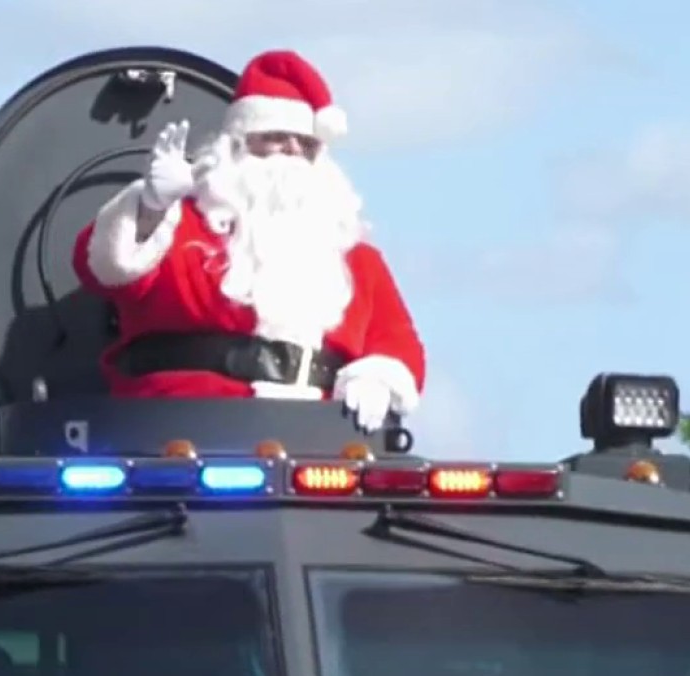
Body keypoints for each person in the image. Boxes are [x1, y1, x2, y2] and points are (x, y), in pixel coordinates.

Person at [72, 49, 426, 433]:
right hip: (183, 429)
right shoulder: (183, 227)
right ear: (237, 146)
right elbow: (104, 269)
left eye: (307, 144)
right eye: (276, 138)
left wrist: (378, 377)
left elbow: (397, 341)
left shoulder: (354, 257)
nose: (293, 151)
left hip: (318, 438)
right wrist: (150, 207)